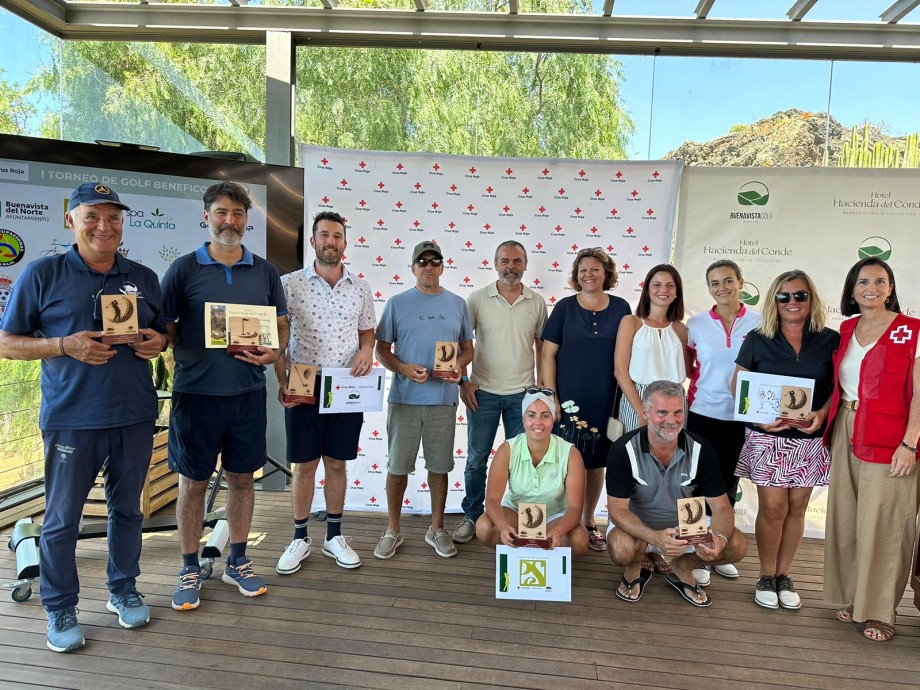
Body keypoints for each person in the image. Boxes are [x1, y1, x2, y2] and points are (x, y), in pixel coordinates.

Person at [0, 182, 167, 652]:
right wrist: (63, 344)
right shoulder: (42, 274)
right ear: (70, 219)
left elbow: (161, 333)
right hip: (72, 416)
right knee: (61, 520)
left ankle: (122, 588)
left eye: (113, 217)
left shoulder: (143, 277)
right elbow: (6, 343)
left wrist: (159, 342)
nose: (104, 226)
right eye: (92, 216)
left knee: (128, 510)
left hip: (134, 414)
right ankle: (59, 606)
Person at [161, 181, 289, 611]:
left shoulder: (266, 271)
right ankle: (189, 567)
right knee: (193, 483)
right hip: (196, 395)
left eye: (237, 213)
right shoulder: (182, 269)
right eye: (221, 212)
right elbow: (166, 329)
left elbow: (281, 325)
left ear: (247, 220)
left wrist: (275, 351)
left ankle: (238, 560)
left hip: (247, 394)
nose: (229, 221)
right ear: (206, 216)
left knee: (241, 480)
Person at [823, 258, 920, 642]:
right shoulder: (847, 328)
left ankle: (881, 611)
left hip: (892, 437)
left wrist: (910, 442)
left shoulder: (911, 330)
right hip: (846, 427)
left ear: (891, 288)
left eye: (881, 281)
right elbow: (842, 384)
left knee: (885, 524)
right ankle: (855, 597)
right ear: (851, 290)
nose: (872, 288)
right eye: (863, 282)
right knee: (848, 517)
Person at [274, 211, 375, 573]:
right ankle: (299, 538)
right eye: (324, 235)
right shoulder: (288, 284)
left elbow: (368, 334)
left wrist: (366, 352)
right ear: (312, 242)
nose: (330, 241)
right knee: (304, 465)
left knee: (336, 462)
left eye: (337, 236)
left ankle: (334, 536)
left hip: (346, 386)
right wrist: (281, 380)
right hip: (303, 380)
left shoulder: (361, 288)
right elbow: (279, 338)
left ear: (345, 243)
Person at [733, 270, 838, 610]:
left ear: (811, 300)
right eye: (784, 296)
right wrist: (759, 418)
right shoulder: (757, 338)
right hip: (768, 438)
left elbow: (839, 389)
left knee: (797, 508)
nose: (792, 302)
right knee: (774, 507)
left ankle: (784, 575)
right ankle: (765, 575)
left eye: (800, 295)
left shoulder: (831, 340)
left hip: (809, 439)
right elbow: (738, 386)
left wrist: (821, 414)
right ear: (774, 301)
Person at [605, 380, 748, 607]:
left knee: (737, 545)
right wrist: (654, 538)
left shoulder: (702, 448)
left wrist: (719, 540)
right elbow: (617, 510)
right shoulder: (623, 449)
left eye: (678, 412)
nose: (671, 420)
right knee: (622, 549)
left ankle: (682, 566)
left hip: (685, 527)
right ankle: (635, 566)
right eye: (662, 412)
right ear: (645, 412)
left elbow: (721, 507)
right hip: (639, 527)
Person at [374, 240, 474, 559]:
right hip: (404, 400)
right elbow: (381, 348)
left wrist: (458, 367)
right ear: (413, 267)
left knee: (439, 468)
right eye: (422, 261)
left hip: (442, 401)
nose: (429, 266)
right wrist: (402, 368)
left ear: (442, 266)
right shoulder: (396, 303)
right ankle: (393, 529)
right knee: (397, 468)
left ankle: (437, 528)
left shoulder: (458, 304)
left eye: (435, 261)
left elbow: (467, 348)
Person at [453, 240, 547, 544]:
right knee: (477, 459)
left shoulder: (536, 301)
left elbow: (542, 347)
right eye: (505, 261)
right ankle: (471, 514)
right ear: (495, 264)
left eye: (517, 261)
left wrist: (543, 392)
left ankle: (525, 519)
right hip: (483, 394)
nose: (511, 267)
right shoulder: (477, 299)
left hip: (524, 396)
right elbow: (461, 345)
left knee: (526, 462)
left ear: (525, 264)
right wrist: (463, 382)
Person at [541, 247, 631, 552]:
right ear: (575, 275)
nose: (588, 275)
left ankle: (590, 520)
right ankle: (565, 521)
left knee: (595, 463)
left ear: (606, 273)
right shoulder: (564, 308)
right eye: (583, 270)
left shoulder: (621, 307)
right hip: (568, 399)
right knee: (565, 461)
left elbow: (628, 356)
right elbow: (547, 354)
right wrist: (551, 396)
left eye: (594, 269)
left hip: (606, 398)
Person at [685, 260, 761, 582]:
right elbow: (691, 368)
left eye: (728, 281)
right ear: (709, 289)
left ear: (741, 283)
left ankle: (718, 550)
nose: (722, 288)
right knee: (696, 486)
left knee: (728, 485)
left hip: (740, 418)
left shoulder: (760, 323)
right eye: (714, 283)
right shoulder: (696, 324)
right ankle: (695, 554)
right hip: (701, 414)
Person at [475, 388, 589, 556]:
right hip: (516, 511)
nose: (538, 422)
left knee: (579, 540)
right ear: (523, 418)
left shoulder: (571, 453)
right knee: (484, 526)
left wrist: (557, 531)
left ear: (553, 419)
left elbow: (575, 507)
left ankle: (533, 553)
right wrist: (503, 527)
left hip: (554, 515)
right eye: (531, 415)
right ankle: (522, 553)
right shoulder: (507, 449)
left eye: (545, 415)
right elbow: (492, 499)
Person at [614, 263, 689, 434]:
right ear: (647, 290)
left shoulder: (680, 329)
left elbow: (685, 367)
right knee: (636, 452)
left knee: (669, 454)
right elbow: (620, 371)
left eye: (670, 285)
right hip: (639, 397)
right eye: (657, 284)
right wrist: (641, 410)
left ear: (677, 292)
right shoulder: (631, 322)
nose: (664, 289)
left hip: (674, 400)